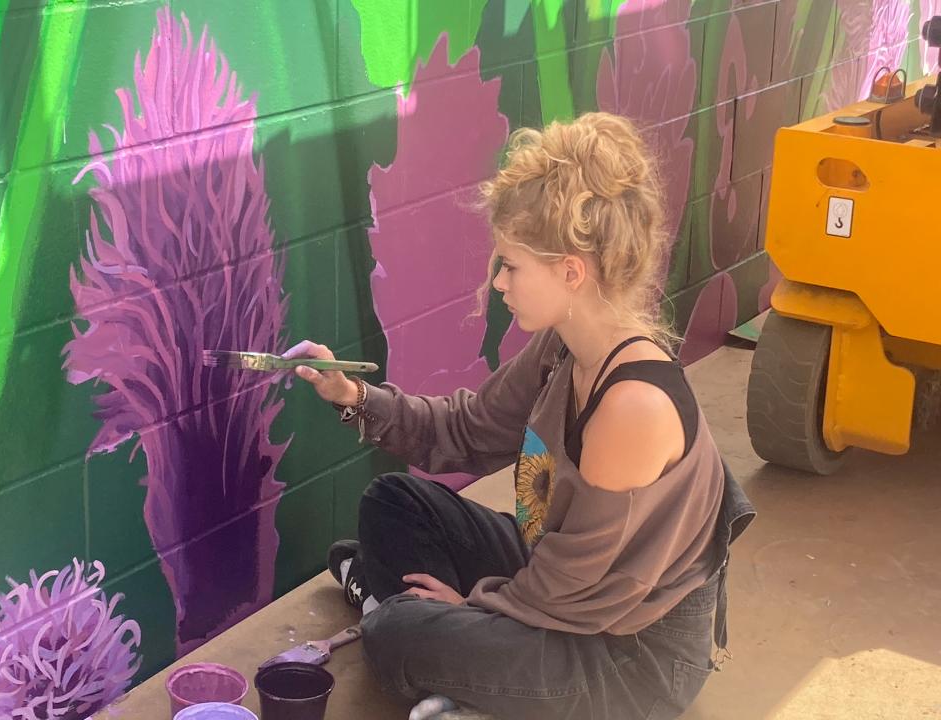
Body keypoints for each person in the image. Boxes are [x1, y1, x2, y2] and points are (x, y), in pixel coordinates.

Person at [284, 112, 755, 720]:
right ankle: (450, 659)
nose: (498, 282)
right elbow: (466, 430)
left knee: (393, 635)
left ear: (570, 271)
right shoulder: (564, 344)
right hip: (558, 577)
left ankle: (423, 637)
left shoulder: (632, 405)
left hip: (624, 654)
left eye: (510, 265)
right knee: (392, 502)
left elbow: (574, 589)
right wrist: (354, 397)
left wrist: (473, 608)